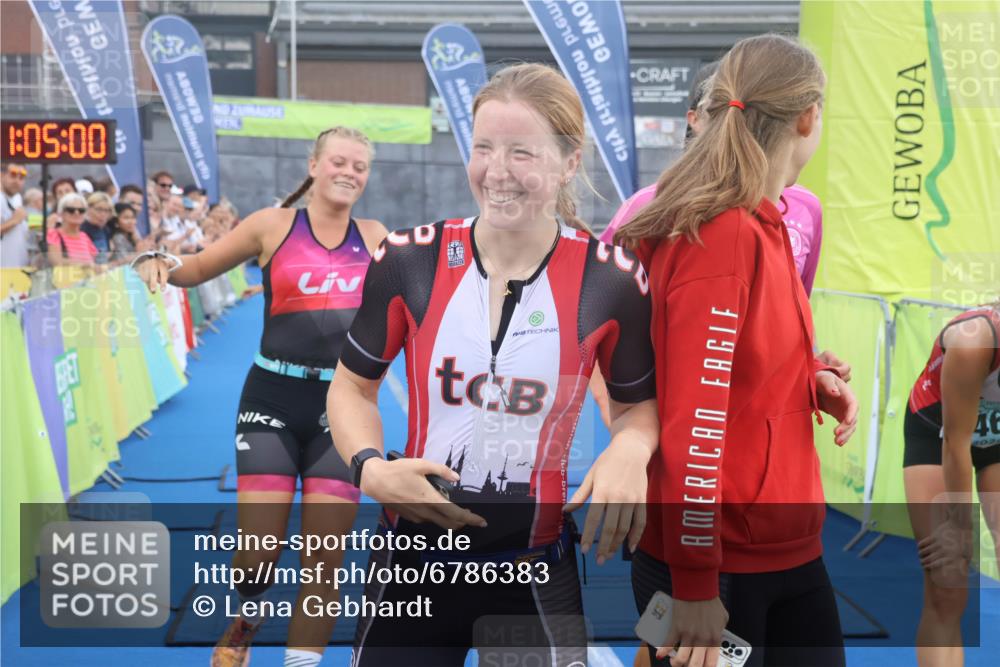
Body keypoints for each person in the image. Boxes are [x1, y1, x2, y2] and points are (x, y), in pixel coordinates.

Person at [328, 63, 659, 666]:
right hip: (411, 566)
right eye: (483, 148)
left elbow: (639, 407)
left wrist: (631, 450)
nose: (497, 172)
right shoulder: (410, 259)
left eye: (522, 153)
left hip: (535, 572)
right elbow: (352, 388)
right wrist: (369, 468)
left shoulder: (611, 280)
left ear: (569, 163)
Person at [616, 34, 859, 667]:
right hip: (716, 562)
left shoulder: (766, 221)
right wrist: (695, 584)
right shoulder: (722, 233)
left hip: (785, 545)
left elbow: (735, 366)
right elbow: (694, 415)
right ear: (808, 117)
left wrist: (807, 381)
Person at [135, 126, 387, 667]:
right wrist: (159, 258)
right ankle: (247, 615)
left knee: (326, 559)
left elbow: (422, 295)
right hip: (269, 400)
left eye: (360, 166)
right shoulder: (272, 226)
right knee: (258, 556)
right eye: (339, 161)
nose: (349, 172)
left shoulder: (376, 236)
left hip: (343, 410)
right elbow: (198, 267)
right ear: (314, 165)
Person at [904, 301, 1000, 667]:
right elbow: (956, 445)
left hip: (994, 438)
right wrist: (961, 529)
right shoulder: (972, 342)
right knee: (948, 581)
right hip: (938, 435)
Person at [47, 193, 98, 267]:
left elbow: (95, 262)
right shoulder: (54, 234)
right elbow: (56, 261)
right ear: (61, 213)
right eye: (71, 210)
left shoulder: (85, 236)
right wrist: (84, 264)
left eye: (81, 210)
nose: (76, 213)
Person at [0, 162, 29, 268]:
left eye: (22, 177)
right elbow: (16, 220)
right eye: (13, 175)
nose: (17, 181)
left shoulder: (17, 198)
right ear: (1, 175)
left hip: (18, 269)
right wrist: (14, 220)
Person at [83, 192, 115, 261]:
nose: (103, 214)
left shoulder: (106, 230)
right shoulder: (82, 229)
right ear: (88, 209)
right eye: (99, 209)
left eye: (106, 210)